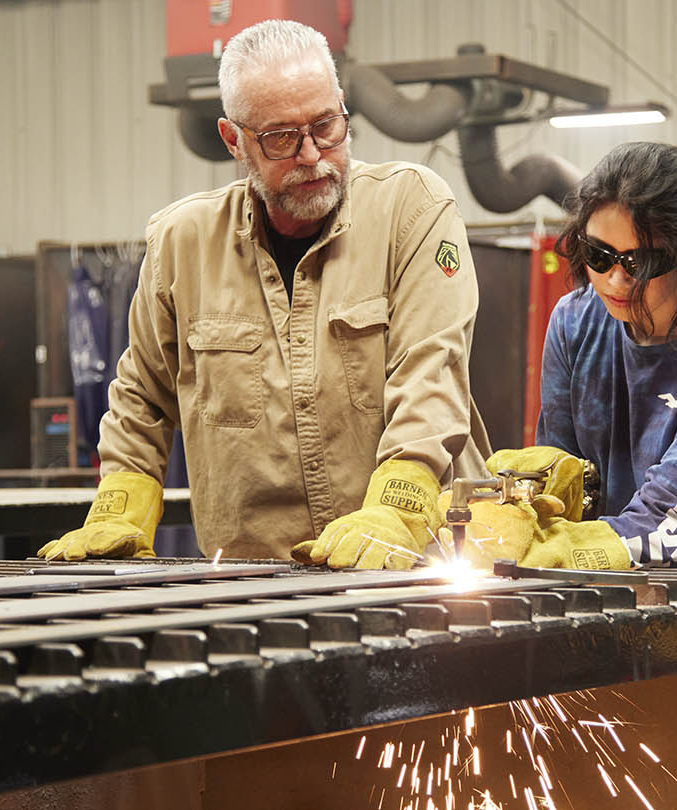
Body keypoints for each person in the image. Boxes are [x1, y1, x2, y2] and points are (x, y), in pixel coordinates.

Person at [39, 20, 490, 565]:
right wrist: (119, 508)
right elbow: (141, 398)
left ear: (343, 107)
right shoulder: (183, 244)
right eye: (281, 138)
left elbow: (431, 374)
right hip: (260, 582)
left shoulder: (412, 210)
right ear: (234, 140)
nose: (312, 156)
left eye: (327, 126)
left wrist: (396, 510)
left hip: (413, 561)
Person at [471, 142, 677, 570]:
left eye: (639, 262)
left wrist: (555, 552)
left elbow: (669, 524)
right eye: (599, 255)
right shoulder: (574, 321)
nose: (615, 280)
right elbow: (560, 471)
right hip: (602, 577)